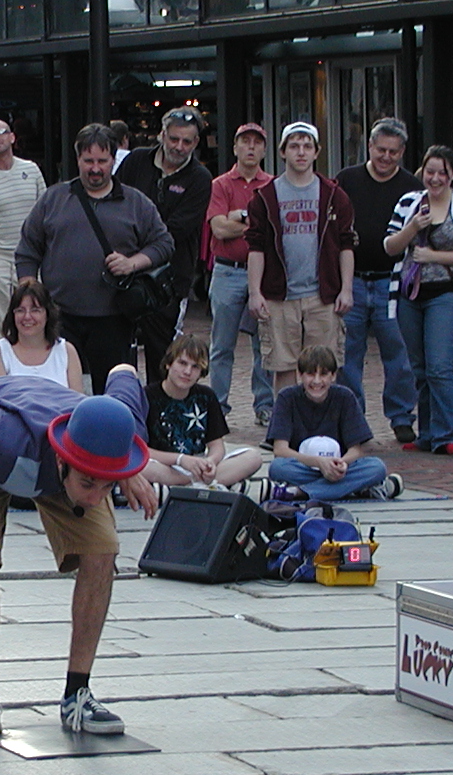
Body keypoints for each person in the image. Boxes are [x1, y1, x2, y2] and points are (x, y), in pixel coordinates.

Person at [0, 362, 159, 741]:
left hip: (69, 450)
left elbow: (122, 370)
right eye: (89, 484)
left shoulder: (121, 428)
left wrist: (125, 468)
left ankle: (77, 693)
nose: (97, 497)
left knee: (103, 550)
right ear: (61, 461)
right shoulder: (4, 438)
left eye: (107, 487)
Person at [15, 123, 174, 393]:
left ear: (114, 159)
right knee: (59, 390)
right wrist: (29, 294)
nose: (95, 168)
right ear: (77, 159)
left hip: (114, 318)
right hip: (59, 315)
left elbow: (164, 243)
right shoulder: (53, 199)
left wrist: (132, 263)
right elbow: (28, 249)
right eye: (88, 161)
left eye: (102, 161)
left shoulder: (136, 202)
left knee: (110, 393)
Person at [384, 145, 453, 456]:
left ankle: (449, 433)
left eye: (443, 172)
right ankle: (427, 434)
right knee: (419, 367)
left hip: (446, 294)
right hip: (410, 295)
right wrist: (412, 227)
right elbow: (390, 246)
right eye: (430, 172)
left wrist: (434, 256)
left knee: (440, 366)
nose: (435, 178)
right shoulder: (408, 203)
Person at [245, 122, 355, 392]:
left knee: (323, 368)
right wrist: (255, 293)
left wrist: (346, 289)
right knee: (283, 367)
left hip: (323, 295)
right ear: (283, 152)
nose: (301, 152)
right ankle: (286, 417)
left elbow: (346, 245)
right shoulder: (265, 196)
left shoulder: (334, 195)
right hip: (279, 296)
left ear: (317, 152)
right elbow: (256, 248)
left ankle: (322, 420)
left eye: (307, 146)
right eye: (294, 146)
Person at [114, 105, 213, 382]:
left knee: (161, 357)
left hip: (167, 281)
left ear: (196, 142)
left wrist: (134, 240)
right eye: (174, 139)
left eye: (187, 141)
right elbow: (115, 202)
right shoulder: (136, 161)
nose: (179, 147)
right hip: (123, 274)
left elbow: (176, 230)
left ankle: (157, 407)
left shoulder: (200, 178)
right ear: (162, 134)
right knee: (118, 352)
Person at [336, 117, 420, 442]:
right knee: (348, 355)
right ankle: (352, 418)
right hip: (353, 279)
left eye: (393, 152)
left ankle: (401, 416)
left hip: (393, 281)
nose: (386, 157)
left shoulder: (412, 187)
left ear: (402, 152)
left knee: (398, 353)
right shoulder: (347, 180)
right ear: (369, 146)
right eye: (381, 149)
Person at [265, 344, 402, 501]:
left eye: (323, 374)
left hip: (339, 468)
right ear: (300, 375)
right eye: (310, 374)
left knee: (376, 467)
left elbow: (356, 450)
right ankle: (354, 488)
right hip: (303, 467)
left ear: (333, 375)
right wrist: (319, 463)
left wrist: (339, 465)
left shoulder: (345, 397)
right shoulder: (287, 397)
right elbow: (280, 450)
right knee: (278, 468)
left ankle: (298, 492)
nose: (317, 381)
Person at [206, 123, 275, 424]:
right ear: (235, 148)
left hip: (264, 273)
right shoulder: (220, 185)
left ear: (264, 150)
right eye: (245, 142)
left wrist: (240, 217)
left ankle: (265, 406)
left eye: (256, 143)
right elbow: (219, 228)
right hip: (227, 272)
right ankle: (218, 408)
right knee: (222, 346)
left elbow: (275, 229)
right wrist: (255, 223)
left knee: (265, 345)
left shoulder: (272, 185)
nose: (250, 147)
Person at [141, 335, 263, 489]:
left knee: (253, 457)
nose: (187, 372)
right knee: (141, 466)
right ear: (168, 364)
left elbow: (217, 445)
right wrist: (180, 459)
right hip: (164, 465)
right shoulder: (146, 396)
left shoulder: (206, 395)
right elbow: (140, 450)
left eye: (195, 367)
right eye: (182, 363)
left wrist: (210, 462)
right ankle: (198, 485)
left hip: (198, 464)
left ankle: (185, 486)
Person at [0, 118, 46, 340]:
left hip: (31, 257)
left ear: (12, 137)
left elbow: (45, 212)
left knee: (35, 314)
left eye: (2, 132)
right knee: (0, 323)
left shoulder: (31, 170)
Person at [0, 276, 83, 389]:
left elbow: (76, 398)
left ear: (48, 314)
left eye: (35, 310)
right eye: (20, 310)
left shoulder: (67, 351)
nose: (27, 317)